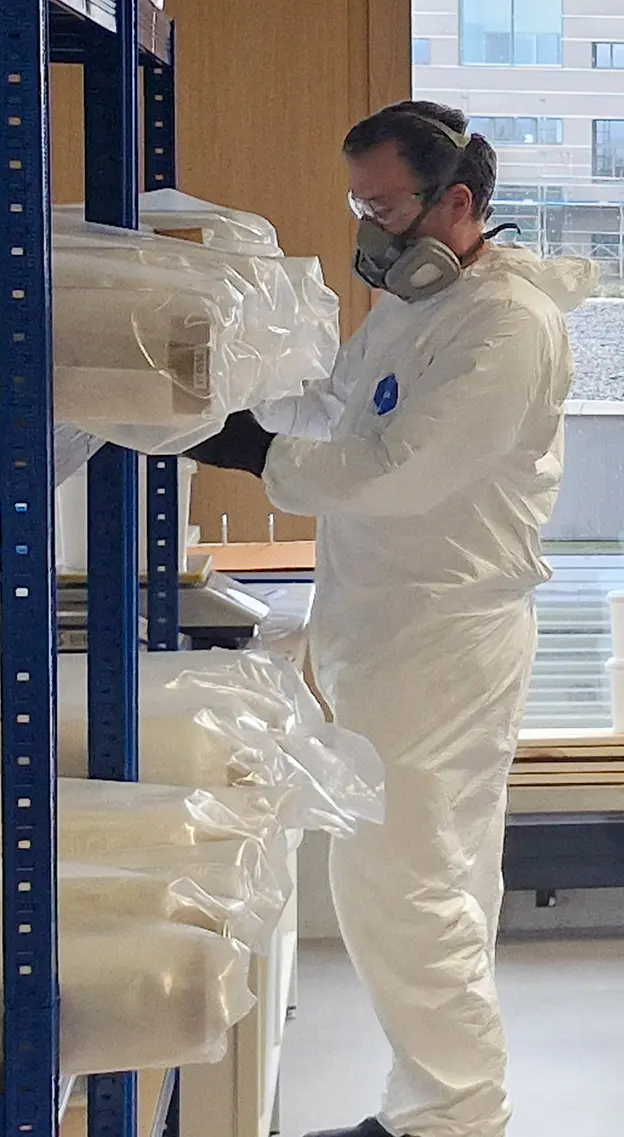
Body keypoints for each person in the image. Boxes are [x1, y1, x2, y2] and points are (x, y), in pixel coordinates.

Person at [186, 101, 598, 1137]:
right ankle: (441, 1105)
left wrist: (249, 452)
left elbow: (404, 469)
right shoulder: (419, 305)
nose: (369, 230)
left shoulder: (505, 324)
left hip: (443, 631)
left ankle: (451, 1115)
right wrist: (218, 401)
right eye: (359, 206)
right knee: (429, 874)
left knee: (401, 879)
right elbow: (336, 408)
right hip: (389, 621)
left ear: (456, 201)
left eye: (383, 207)